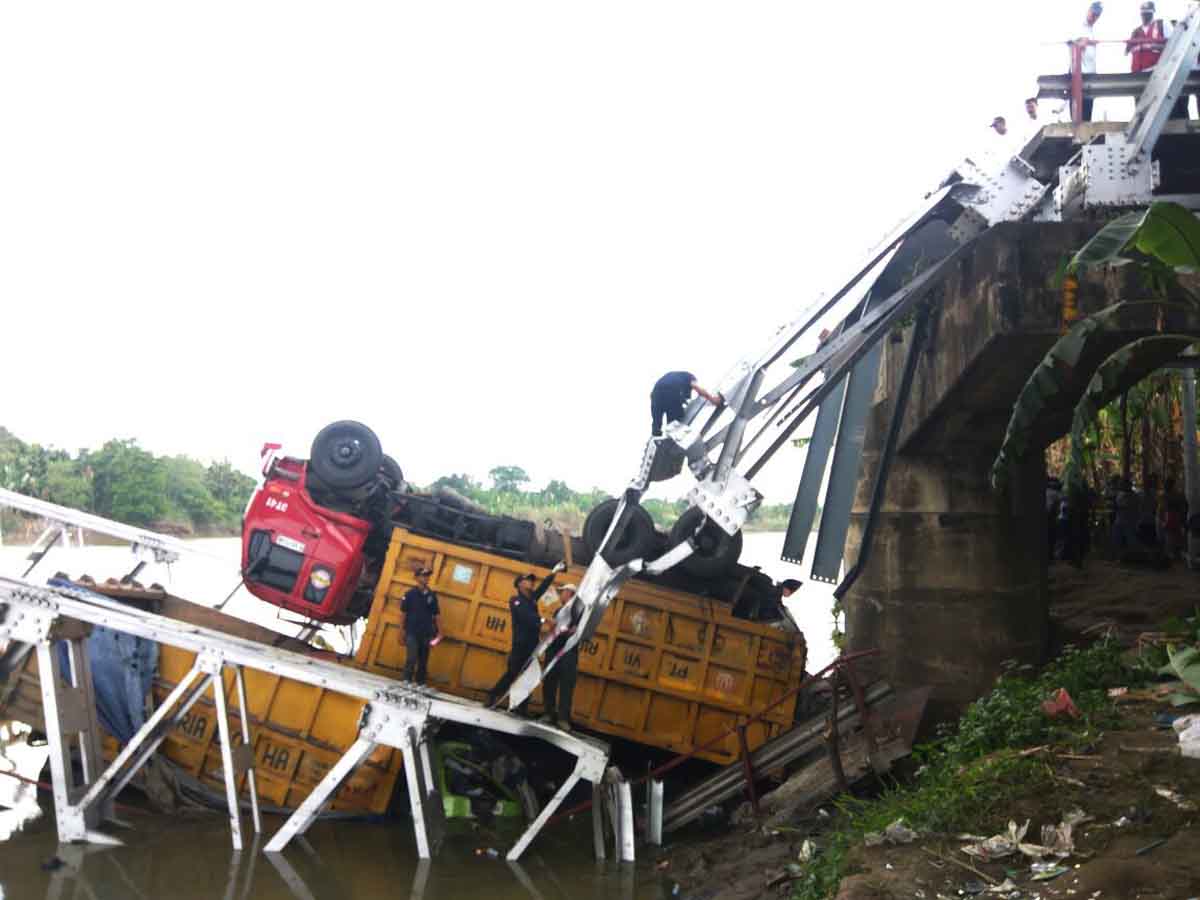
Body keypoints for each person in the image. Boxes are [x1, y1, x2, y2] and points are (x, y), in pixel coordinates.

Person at [487, 562, 566, 712]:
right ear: (519, 584)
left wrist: (554, 572)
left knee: (528, 677)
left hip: (532, 644)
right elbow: (527, 617)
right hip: (520, 644)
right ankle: (492, 695)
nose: (531, 582)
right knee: (512, 673)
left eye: (531, 580)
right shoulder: (515, 600)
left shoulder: (532, 599)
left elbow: (542, 588)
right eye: (528, 580)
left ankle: (521, 707)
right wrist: (544, 620)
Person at [540, 584, 584, 731]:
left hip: (568, 653)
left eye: (562, 592)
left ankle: (563, 719)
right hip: (553, 649)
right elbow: (554, 628)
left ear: (570, 593)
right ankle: (548, 713)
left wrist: (565, 630)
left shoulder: (579, 612)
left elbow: (576, 631)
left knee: (566, 685)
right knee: (549, 681)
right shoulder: (559, 610)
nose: (560, 595)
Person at [650, 371, 723, 436]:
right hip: (670, 392)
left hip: (655, 395)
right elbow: (697, 387)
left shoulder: (676, 377)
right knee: (676, 423)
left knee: (656, 426)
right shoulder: (689, 377)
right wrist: (712, 399)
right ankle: (673, 443)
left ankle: (655, 441)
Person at [401, 566, 439, 684]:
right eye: (423, 576)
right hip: (412, 631)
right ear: (416, 578)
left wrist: (440, 633)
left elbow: (436, 614)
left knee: (423, 660)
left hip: (426, 632)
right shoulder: (409, 594)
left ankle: (420, 682)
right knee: (411, 658)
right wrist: (401, 630)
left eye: (427, 576)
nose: (426, 578)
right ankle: (406, 680)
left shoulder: (432, 596)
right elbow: (403, 613)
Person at [1076, 2, 1103, 122]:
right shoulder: (1079, 26)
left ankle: (1084, 136)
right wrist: (1084, 42)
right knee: (1079, 112)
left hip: (1090, 74)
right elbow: (1075, 45)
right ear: (1088, 11)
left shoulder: (1091, 29)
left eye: (1097, 15)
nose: (1094, 17)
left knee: (1088, 112)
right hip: (1079, 74)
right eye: (1093, 14)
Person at [1126, 2, 1170, 73]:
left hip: (1156, 70)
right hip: (1137, 72)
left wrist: (1150, 46)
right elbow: (1127, 51)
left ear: (1153, 13)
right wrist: (1134, 47)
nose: (1145, 16)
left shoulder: (1161, 25)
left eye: (1148, 13)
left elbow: (1173, 46)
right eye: (1143, 13)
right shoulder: (1136, 31)